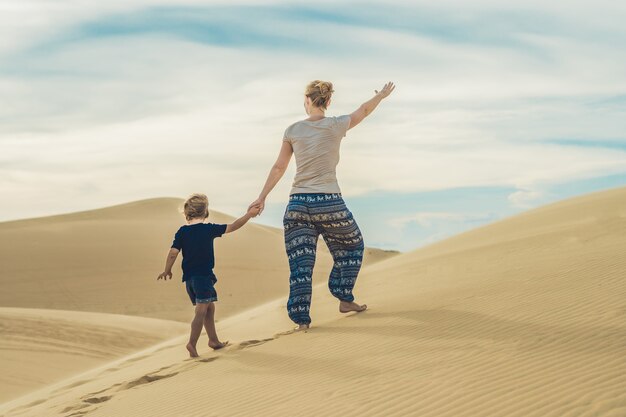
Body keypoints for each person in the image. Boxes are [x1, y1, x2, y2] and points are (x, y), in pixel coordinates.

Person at [249, 80, 395, 330]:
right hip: (328, 203)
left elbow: (279, 167)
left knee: (301, 267)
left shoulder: (293, 129)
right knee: (354, 245)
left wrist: (261, 197)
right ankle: (343, 295)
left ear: (307, 101)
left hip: (297, 205)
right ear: (328, 102)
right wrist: (380, 96)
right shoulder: (337, 124)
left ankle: (302, 322)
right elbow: (364, 110)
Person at [158, 193, 260, 357]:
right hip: (203, 278)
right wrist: (249, 214)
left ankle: (213, 340)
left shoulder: (182, 232)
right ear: (206, 212)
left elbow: (173, 252)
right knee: (201, 311)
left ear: (186, 214)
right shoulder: (208, 228)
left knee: (209, 308)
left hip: (190, 280)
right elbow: (233, 226)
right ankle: (192, 343)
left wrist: (167, 269)